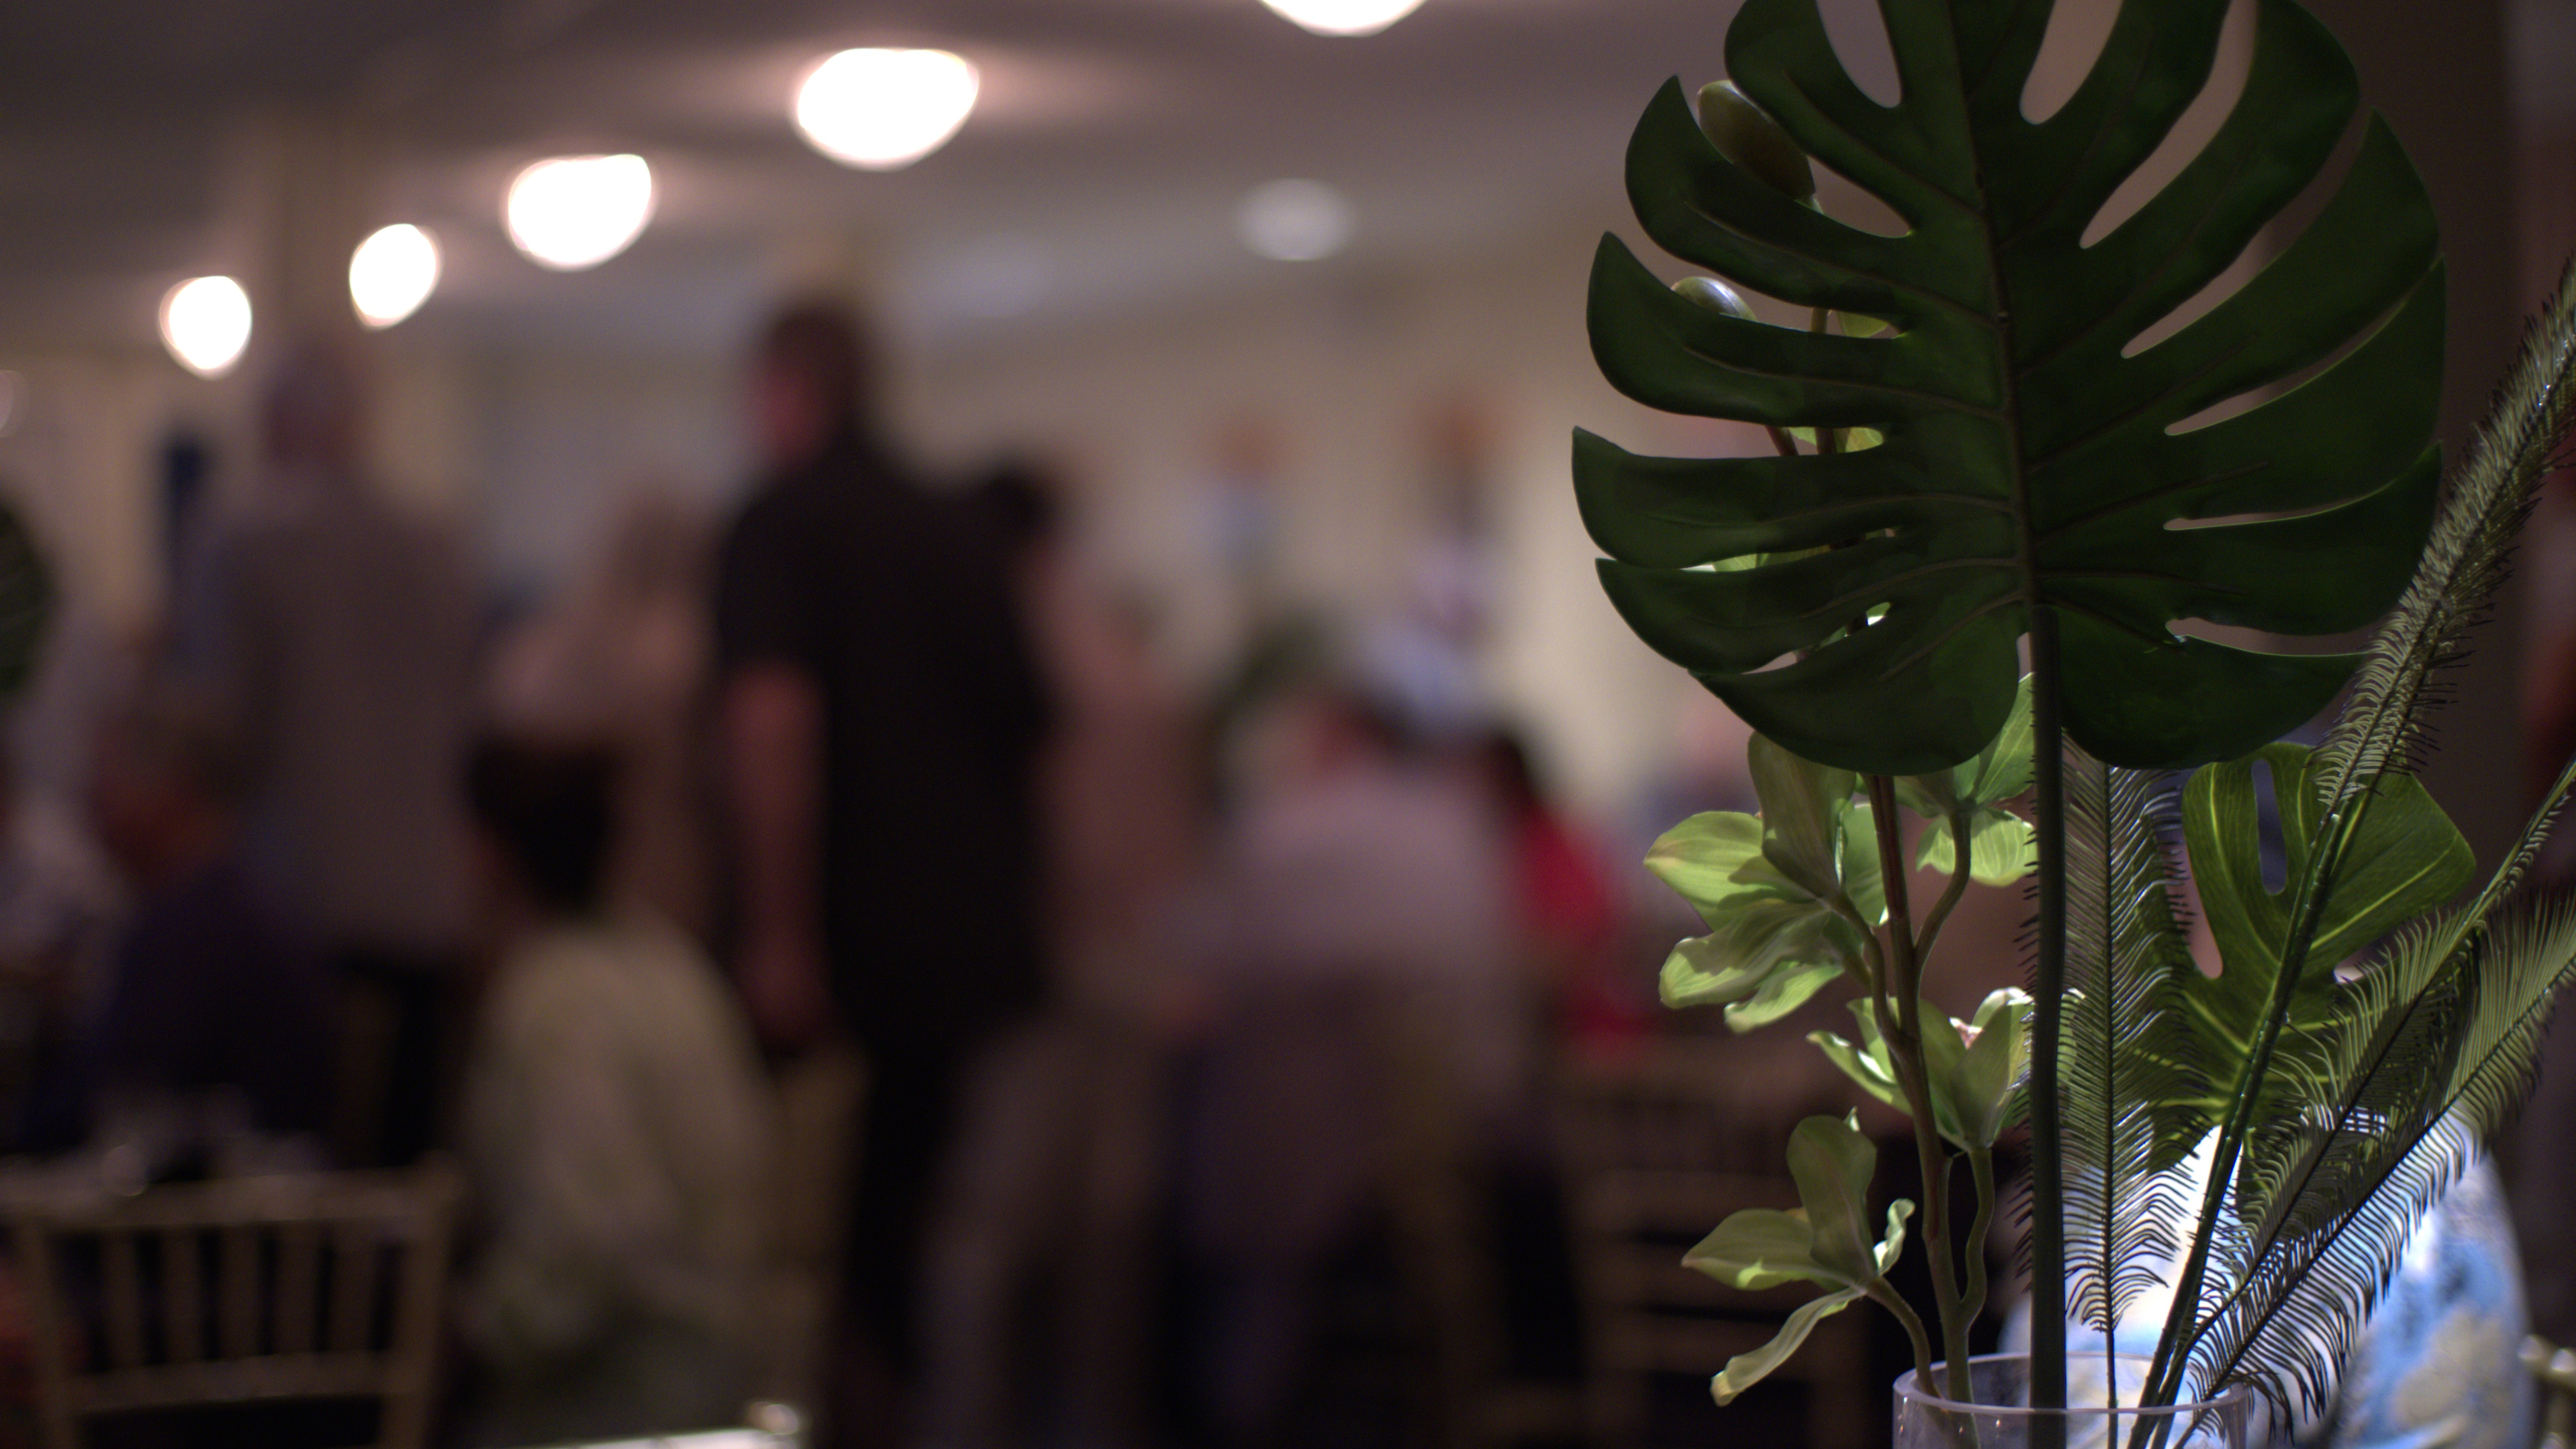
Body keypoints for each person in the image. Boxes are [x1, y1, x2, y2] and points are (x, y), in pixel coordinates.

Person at [711, 300, 1049, 1436]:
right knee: (913, 1228)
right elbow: (1028, 736)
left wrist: (779, 932)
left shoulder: (779, 522)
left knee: (810, 1242)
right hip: (962, 948)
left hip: (842, 945)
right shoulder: (959, 528)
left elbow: (771, 724)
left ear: (783, 391)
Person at [178, 342, 476, 1168]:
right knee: (400, 1184)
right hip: (425, 910)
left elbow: (226, 735)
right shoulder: (435, 542)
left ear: (275, 424)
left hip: (298, 910)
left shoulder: (242, 537)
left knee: (298, 1190)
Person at [456, 734, 773, 1446]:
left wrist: (472, 1333)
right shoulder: (672, 962)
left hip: (621, 1407)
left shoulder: (556, 1003)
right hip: (727, 1376)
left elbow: (588, 1246)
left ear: (487, 852)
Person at [61, 684, 338, 1168]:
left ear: (171, 788)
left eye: (106, 777)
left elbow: (115, 1094)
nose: (89, 799)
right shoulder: (222, 905)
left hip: (204, 1201)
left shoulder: (197, 930)